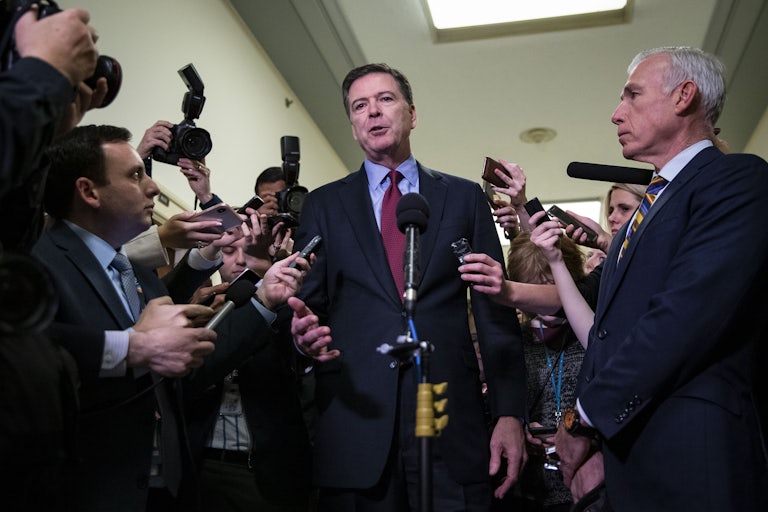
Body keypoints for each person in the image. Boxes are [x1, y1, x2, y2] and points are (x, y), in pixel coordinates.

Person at [290, 63, 526, 511]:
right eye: (360, 106)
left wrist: (510, 412)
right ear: (353, 124)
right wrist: (302, 340)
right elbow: (308, 308)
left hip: (451, 422)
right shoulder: (324, 204)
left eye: (385, 99)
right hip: (357, 424)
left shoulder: (463, 198)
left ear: (412, 114)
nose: (373, 113)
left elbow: (495, 314)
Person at [550, 46, 768, 511]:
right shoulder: (636, 220)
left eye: (631, 95)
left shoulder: (736, 180)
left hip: (692, 455)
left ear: (683, 96)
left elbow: (682, 318)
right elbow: (611, 335)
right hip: (626, 453)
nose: (615, 113)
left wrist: (584, 420)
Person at [184, 211, 312, 512]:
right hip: (198, 465)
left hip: (263, 475)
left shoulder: (287, 306)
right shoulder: (194, 306)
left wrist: (263, 288)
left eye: (249, 252)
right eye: (230, 251)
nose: (240, 261)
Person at [505, 233, 587, 512]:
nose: (545, 305)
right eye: (534, 291)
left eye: (551, 290)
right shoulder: (512, 343)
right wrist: (521, 426)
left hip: (588, 489)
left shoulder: (590, 337)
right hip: (530, 491)